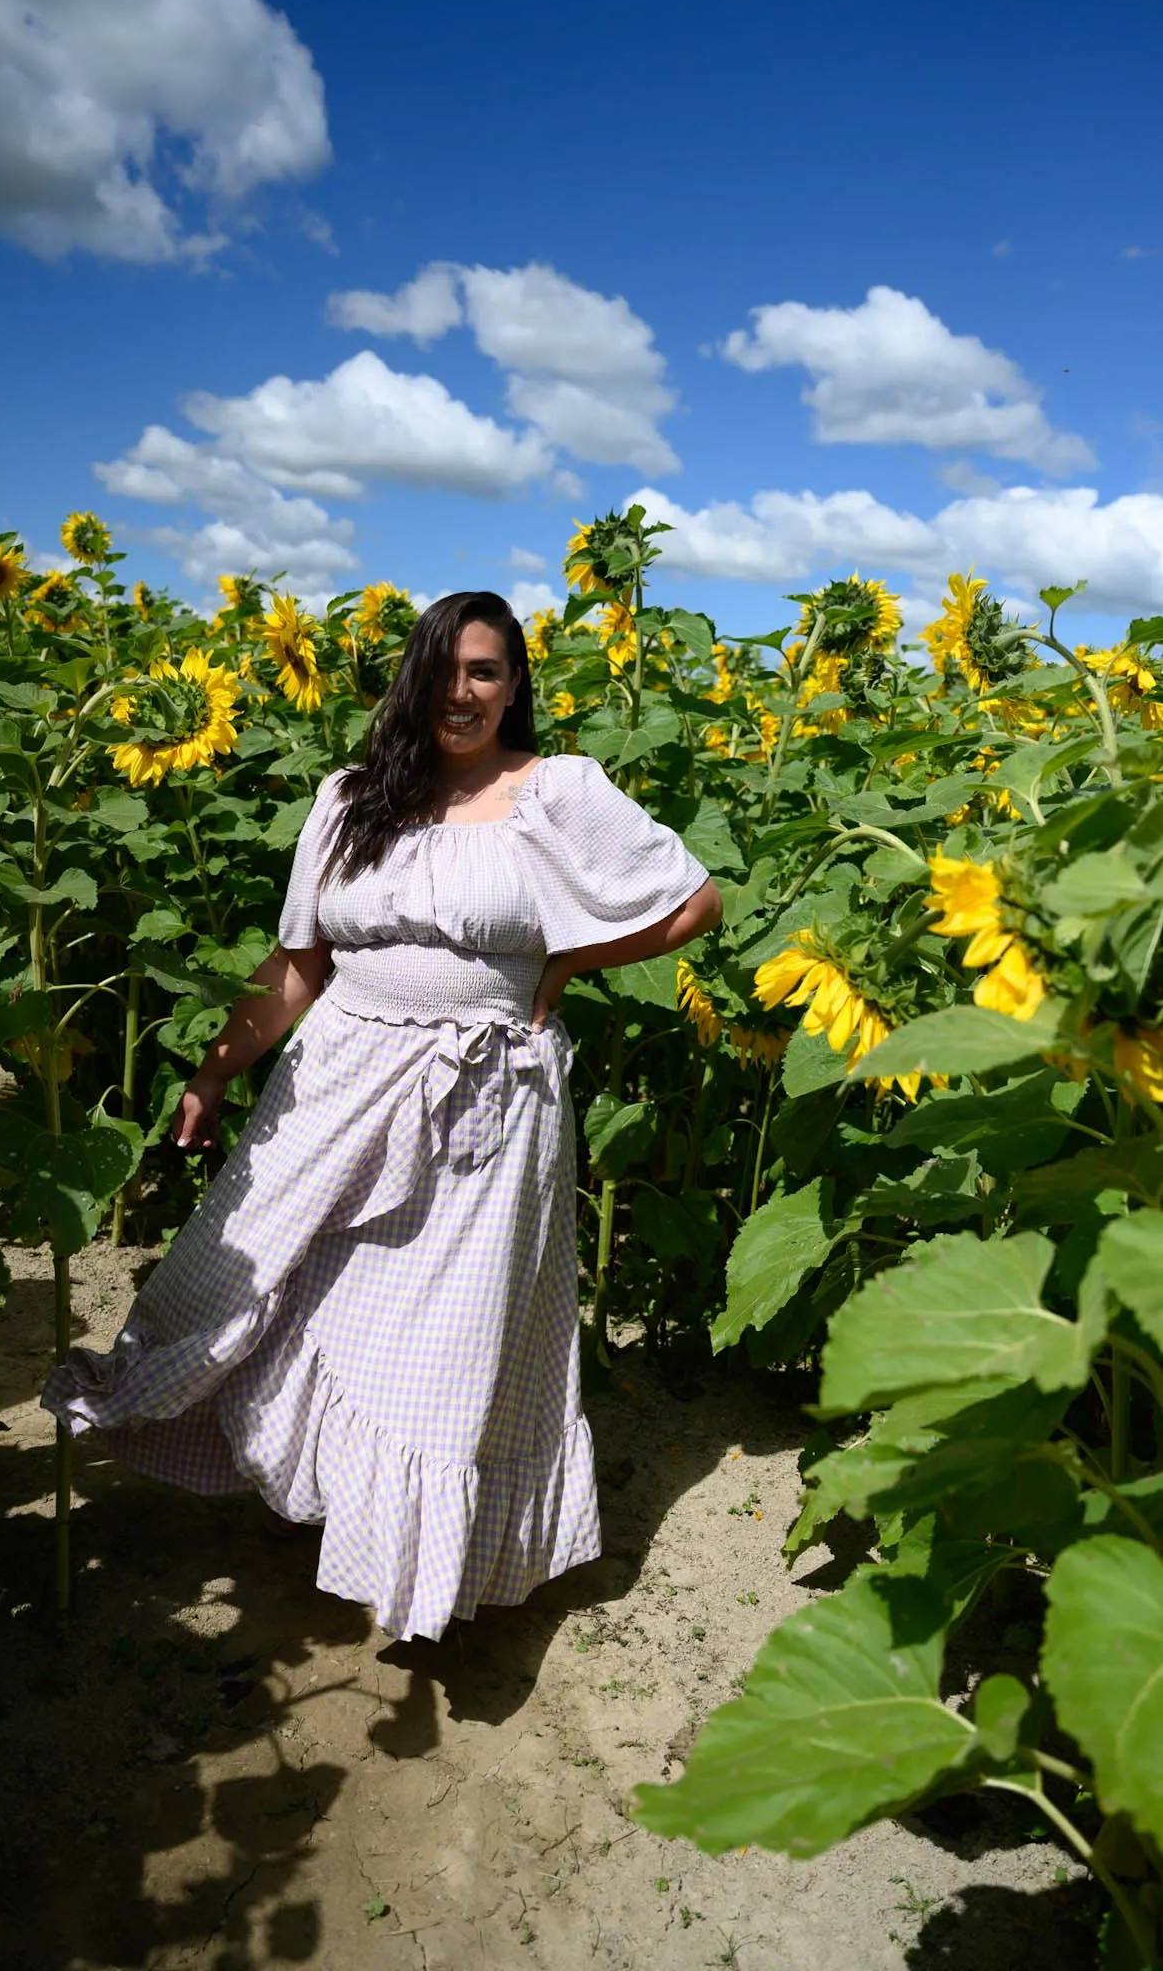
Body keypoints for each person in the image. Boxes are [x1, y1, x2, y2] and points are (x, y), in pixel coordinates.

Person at [42, 591, 722, 1642]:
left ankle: (416, 1562)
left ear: (515, 686)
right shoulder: (351, 798)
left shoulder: (555, 792)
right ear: (415, 676)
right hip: (340, 1071)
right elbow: (301, 959)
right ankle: (303, 1489)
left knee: (440, 1331)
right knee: (288, 1277)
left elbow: (692, 901)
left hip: (486, 1097)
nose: (464, 690)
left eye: (488, 671)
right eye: (447, 668)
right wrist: (217, 1070)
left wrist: (566, 962)